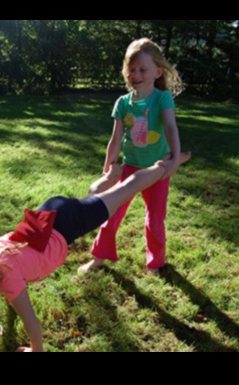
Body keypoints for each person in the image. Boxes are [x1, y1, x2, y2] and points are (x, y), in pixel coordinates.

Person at [0, 153, 190, 352]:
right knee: (89, 204)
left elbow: (31, 322)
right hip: (50, 212)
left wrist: (36, 350)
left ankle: (162, 167)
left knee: (125, 190)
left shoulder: (6, 276)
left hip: (63, 225)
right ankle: (108, 179)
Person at [78, 38, 185, 276]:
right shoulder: (123, 103)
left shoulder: (162, 99)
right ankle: (99, 258)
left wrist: (174, 159)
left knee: (154, 219)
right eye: (131, 69)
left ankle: (155, 263)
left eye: (142, 69)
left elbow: (170, 127)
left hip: (157, 171)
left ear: (158, 72)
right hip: (128, 169)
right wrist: (108, 169)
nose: (135, 74)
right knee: (111, 213)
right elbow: (115, 140)